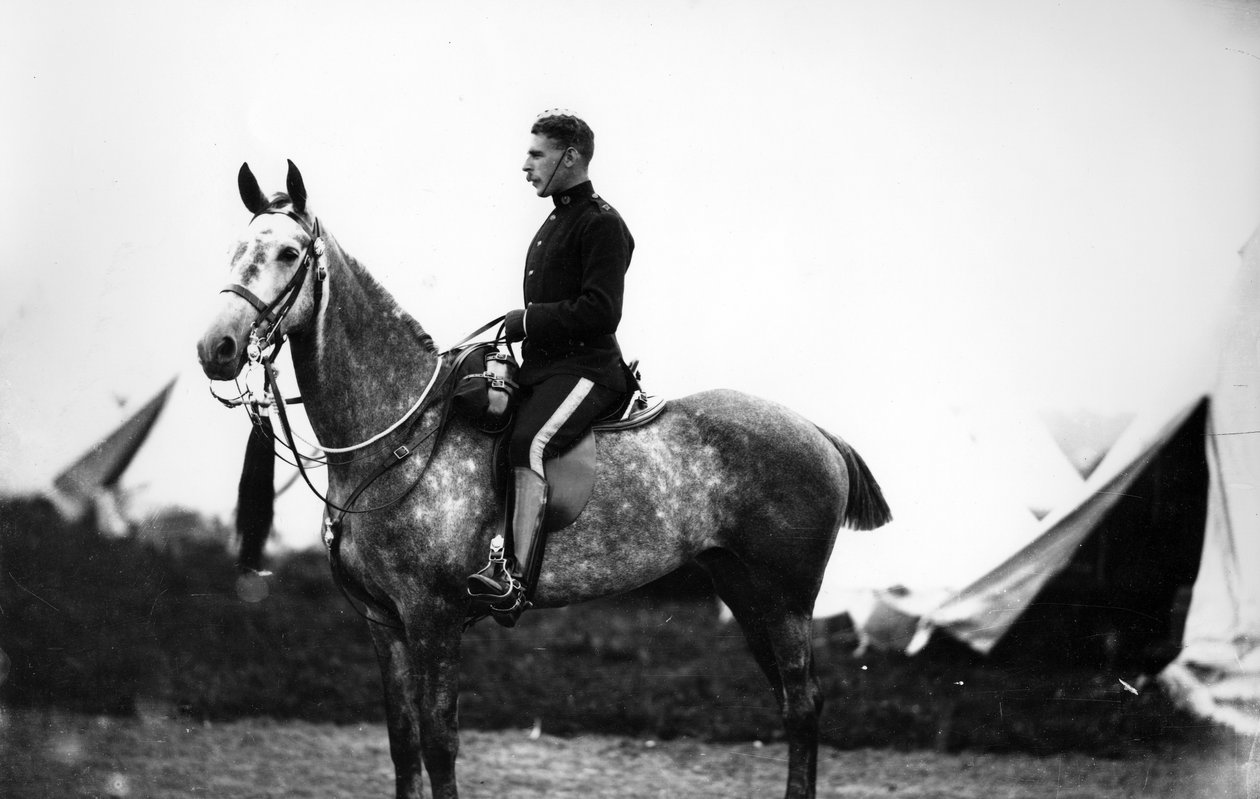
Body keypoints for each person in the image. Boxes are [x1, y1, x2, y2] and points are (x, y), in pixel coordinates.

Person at [467, 111, 634, 624]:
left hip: (590, 370)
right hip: (546, 371)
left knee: (529, 443)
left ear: (571, 157)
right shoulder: (555, 220)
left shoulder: (603, 224)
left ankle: (513, 578)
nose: (525, 165)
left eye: (536, 154)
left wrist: (528, 320)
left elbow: (602, 311)